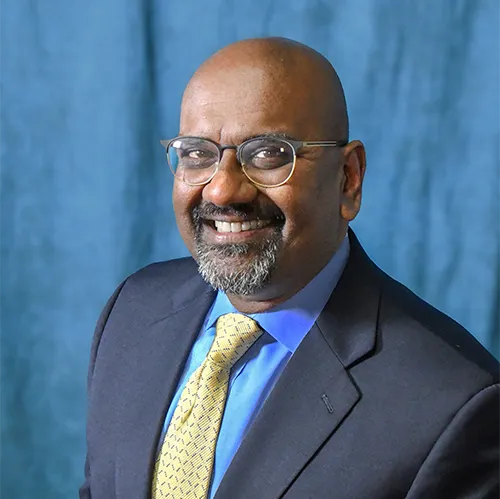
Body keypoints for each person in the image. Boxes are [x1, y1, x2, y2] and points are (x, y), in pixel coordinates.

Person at [80, 37, 500, 499]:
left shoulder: (454, 405)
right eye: (197, 154)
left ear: (348, 179)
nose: (221, 190)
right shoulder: (133, 312)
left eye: (268, 154)